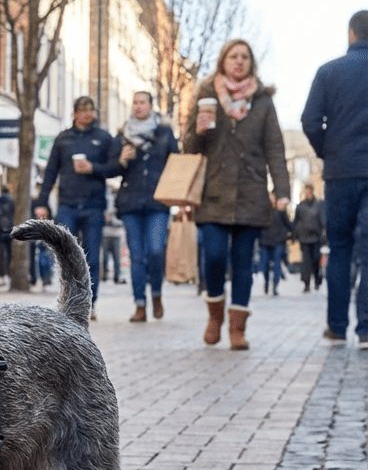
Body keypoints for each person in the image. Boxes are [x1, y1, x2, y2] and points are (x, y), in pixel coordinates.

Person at [184, 39, 289, 350]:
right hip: (213, 191)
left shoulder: (263, 102)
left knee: (244, 262)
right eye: (234, 56)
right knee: (214, 256)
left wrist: (282, 191)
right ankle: (215, 315)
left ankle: (237, 329)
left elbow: (275, 148)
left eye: (245, 57)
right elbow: (188, 148)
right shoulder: (206, 96)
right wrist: (198, 132)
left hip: (251, 192)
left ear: (251, 63)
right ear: (223, 61)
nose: (239, 61)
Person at [300, 11, 368, 347]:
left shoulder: (328, 71)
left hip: (341, 172)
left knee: (339, 248)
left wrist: (329, 151)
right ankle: (367, 329)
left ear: (351, 34)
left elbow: (310, 121)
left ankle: (337, 327)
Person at [34, 95, 117, 319]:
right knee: (67, 254)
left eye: (90, 110)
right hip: (67, 205)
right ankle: (68, 301)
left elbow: (114, 167)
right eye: (81, 110)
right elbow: (50, 171)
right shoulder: (63, 139)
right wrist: (42, 202)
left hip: (94, 206)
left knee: (91, 256)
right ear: (74, 113)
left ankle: (90, 304)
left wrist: (93, 168)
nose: (86, 114)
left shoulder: (104, 138)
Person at [110, 91, 178, 322]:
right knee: (137, 256)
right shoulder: (122, 136)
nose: (138, 106)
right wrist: (121, 161)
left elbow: (176, 164)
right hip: (130, 203)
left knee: (156, 251)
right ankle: (140, 304)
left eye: (143, 102)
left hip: (158, 202)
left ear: (151, 106)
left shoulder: (164, 132)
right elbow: (110, 170)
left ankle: (156, 294)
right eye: (135, 102)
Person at [292, 184, 325, 293]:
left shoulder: (319, 204)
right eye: (306, 191)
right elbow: (296, 221)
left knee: (316, 260)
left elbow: (323, 219)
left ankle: (317, 279)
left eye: (309, 190)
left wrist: (324, 233)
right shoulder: (300, 206)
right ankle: (306, 284)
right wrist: (294, 234)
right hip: (304, 238)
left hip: (316, 237)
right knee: (306, 262)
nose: (308, 192)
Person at [259, 198, 292, 296]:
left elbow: (289, 225)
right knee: (265, 265)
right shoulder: (263, 213)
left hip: (278, 242)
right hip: (265, 242)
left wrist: (290, 235)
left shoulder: (281, 213)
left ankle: (275, 286)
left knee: (277, 264)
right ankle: (266, 282)